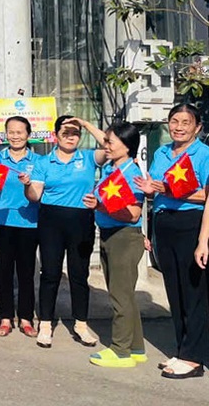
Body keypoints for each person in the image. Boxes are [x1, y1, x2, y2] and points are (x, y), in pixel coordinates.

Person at [23, 115, 105, 348]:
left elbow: (108, 144)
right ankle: (46, 324)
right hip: (51, 221)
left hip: (81, 220)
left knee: (79, 275)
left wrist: (87, 124)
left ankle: (80, 324)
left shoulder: (88, 157)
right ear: (56, 135)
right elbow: (35, 196)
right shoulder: (43, 162)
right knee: (50, 274)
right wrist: (27, 185)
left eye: (75, 133)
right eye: (65, 133)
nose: (71, 137)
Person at [147, 104, 209, 379]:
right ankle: (184, 347)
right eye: (174, 121)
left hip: (191, 224)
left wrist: (172, 191)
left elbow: (206, 195)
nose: (179, 127)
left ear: (197, 127)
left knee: (194, 292)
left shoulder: (204, 154)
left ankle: (193, 358)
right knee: (175, 291)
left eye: (186, 122)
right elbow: (155, 189)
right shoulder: (161, 152)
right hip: (164, 223)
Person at [86, 122, 146, 368]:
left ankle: (120, 350)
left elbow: (133, 213)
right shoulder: (115, 169)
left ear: (127, 145)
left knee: (120, 296)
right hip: (113, 234)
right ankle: (136, 347)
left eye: (111, 142)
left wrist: (100, 206)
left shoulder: (132, 174)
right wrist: (83, 123)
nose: (106, 146)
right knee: (126, 296)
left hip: (123, 236)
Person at [0, 115, 41, 339]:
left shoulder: (38, 162)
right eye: (11, 131)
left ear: (28, 135)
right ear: (5, 134)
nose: (15, 135)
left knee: (27, 273)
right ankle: (5, 318)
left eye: (20, 132)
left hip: (29, 223)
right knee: (3, 272)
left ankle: (26, 318)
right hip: (2, 223)